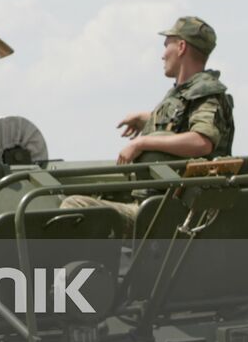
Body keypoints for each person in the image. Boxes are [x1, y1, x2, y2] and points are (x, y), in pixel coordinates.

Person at [62, 16, 235, 228]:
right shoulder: (187, 92)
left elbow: (202, 141)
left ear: (181, 47)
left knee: (74, 206)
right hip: (155, 202)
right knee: (63, 197)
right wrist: (146, 120)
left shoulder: (206, 92)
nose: (163, 55)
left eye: (166, 46)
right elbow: (177, 123)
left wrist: (141, 143)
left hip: (167, 212)